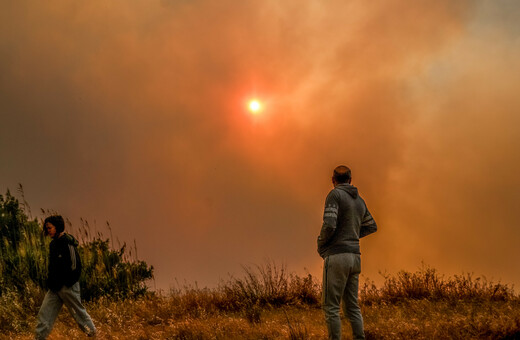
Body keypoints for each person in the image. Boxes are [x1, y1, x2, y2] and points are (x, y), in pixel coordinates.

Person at [317, 165, 377, 340]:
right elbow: (371, 225)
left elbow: (329, 224)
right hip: (355, 256)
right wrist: (352, 235)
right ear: (350, 180)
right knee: (352, 307)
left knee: (331, 307)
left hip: (337, 256)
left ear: (333, 180)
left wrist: (322, 243)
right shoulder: (360, 201)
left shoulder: (334, 195)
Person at [35, 215, 96, 339]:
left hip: (68, 287)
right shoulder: (52, 245)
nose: (48, 231)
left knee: (79, 314)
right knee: (44, 315)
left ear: (58, 227)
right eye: (46, 228)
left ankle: (93, 335)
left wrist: (67, 283)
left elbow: (75, 266)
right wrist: (51, 282)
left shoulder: (68, 242)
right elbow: (51, 267)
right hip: (54, 289)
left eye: (50, 228)